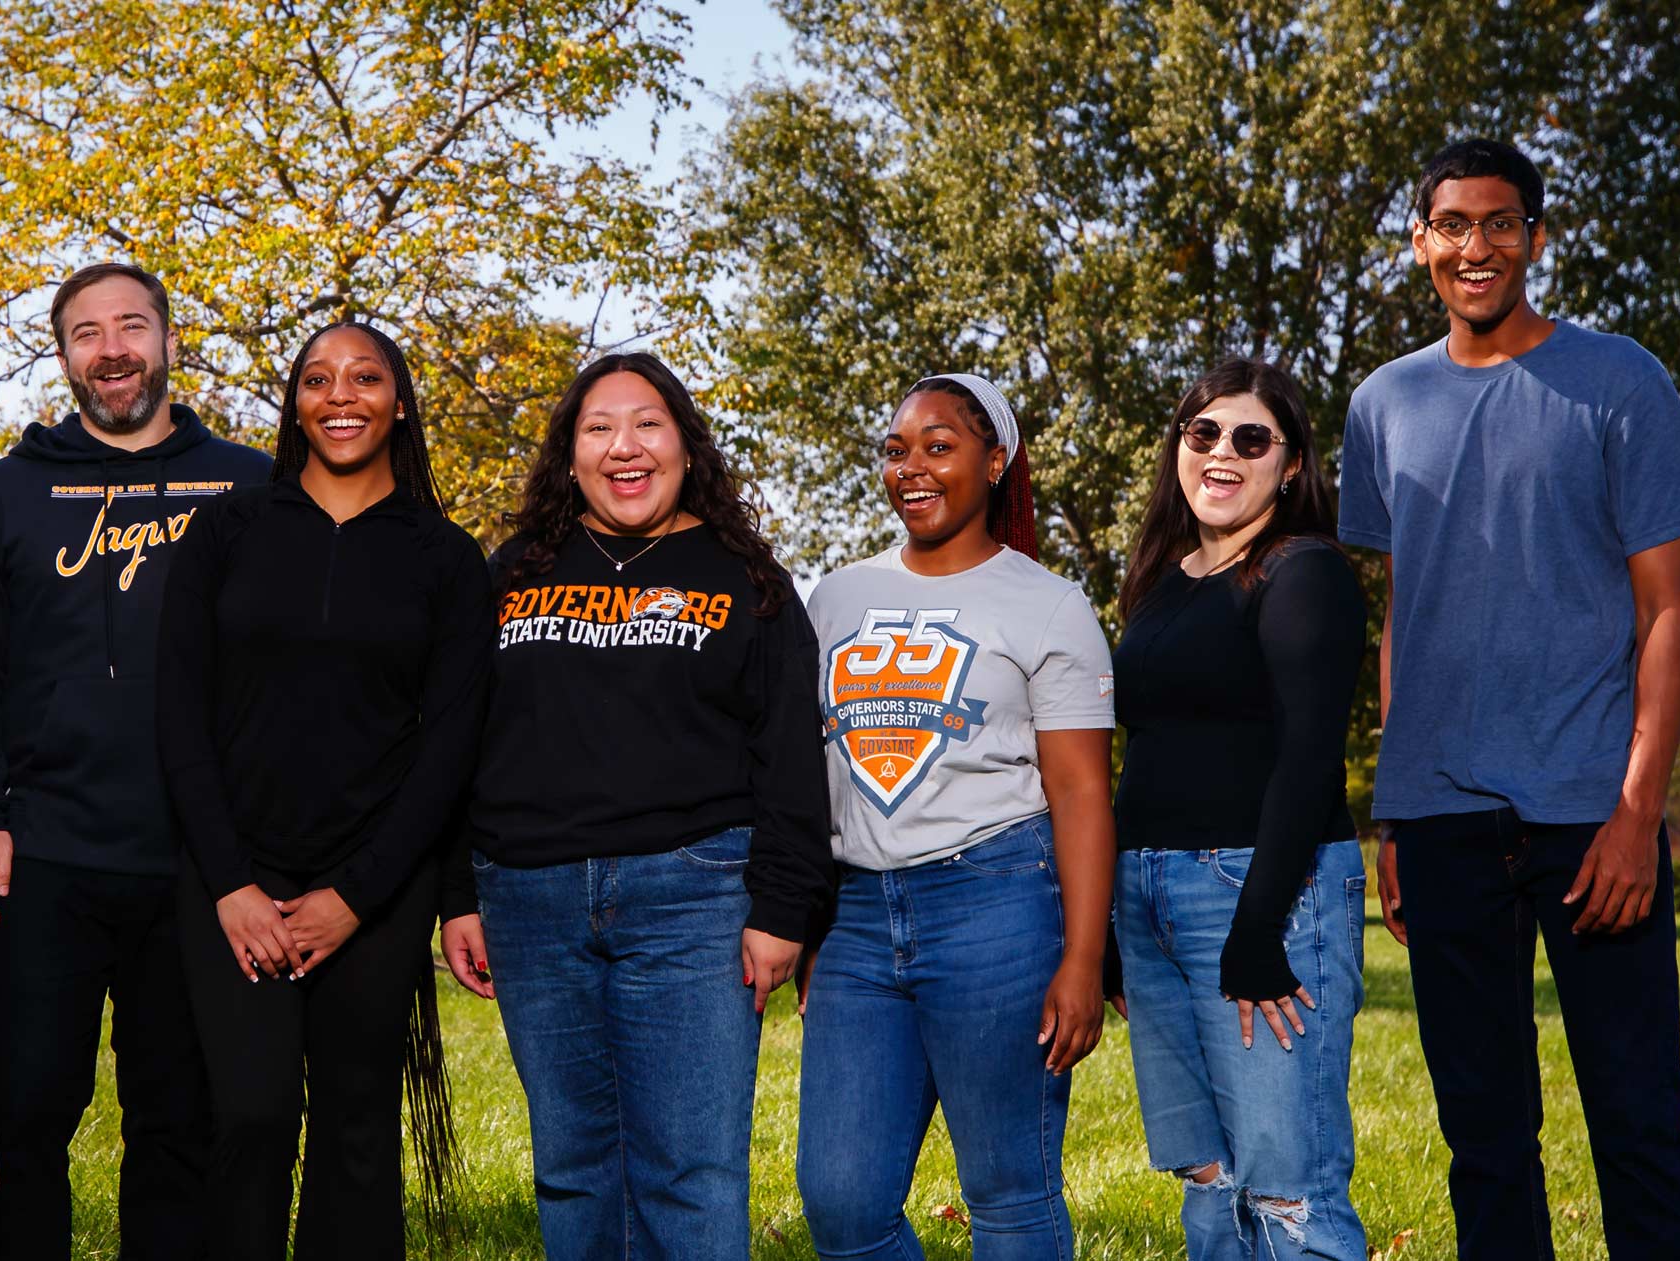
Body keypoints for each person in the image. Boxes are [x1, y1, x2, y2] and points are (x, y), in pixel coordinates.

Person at [1340, 138, 1680, 1260]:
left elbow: (1667, 613)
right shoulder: (1382, 402)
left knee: (1639, 1123)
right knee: (1483, 1138)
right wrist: (1392, 809)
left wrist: (1635, 814)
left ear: (1534, 240)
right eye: (1451, 224)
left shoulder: (1619, 380)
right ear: (1418, 245)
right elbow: (1407, 610)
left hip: (1586, 810)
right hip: (1444, 816)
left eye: (1499, 223)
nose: (1475, 246)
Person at [439, 352, 833, 1258]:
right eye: (598, 427)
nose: (625, 446)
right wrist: (457, 891)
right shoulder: (510, 572)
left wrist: (782, 908)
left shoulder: (746, 579)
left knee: (688, 1171)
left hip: (693, 895)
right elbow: (457, 739)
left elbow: (789, 759)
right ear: (568, 455)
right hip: (528, 898)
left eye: (647, 424)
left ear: (685, 447)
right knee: (572, 1165)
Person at [153, 319, 491, 1259]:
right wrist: (230, 881)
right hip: (231, 881)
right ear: (294, 404)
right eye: (316, 379)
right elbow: (177, 711)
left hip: (376, 887)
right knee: (252, 1116)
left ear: (399, 402)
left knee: (356, 1132)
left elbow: (450, 749)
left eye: (365, 378)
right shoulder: (228, 528)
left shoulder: (445, 558)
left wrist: (355, 896)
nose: (340, 396)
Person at [0, 262, 260, 1258]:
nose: (112, 348)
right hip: (41, 853)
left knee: (178, 1122)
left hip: (201, 863)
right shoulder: (3, 496)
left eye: (131, 325)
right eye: (87, 332)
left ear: (169, 340)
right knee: (23, 1118)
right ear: (63, 355)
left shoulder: (252, 486)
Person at [798, 373, 1115, 1261]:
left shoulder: (1046, 602)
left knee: (1008, 1194)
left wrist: (1083, 958)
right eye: (896, 449)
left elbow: (1082, 793)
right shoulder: (834, 599)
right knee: (841, 1203)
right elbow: (807, 774)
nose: (912, 467)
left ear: (995, 460)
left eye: (938, 446)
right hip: (857, 917)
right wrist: (812, 918)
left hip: (997, 903)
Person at [1112, 359, 1368, 1260]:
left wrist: (1258, 924)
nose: (1221, 452)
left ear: (1291, 463)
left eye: (1249, 437)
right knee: (1206, 1177)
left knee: (1284, 1183)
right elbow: (1140, 749)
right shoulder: (1159, 575)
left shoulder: (1301, 572)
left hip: (1258, 892)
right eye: (1202, 433)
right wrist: (1117, 913)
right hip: (1147, 891)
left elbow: (1307, 758)